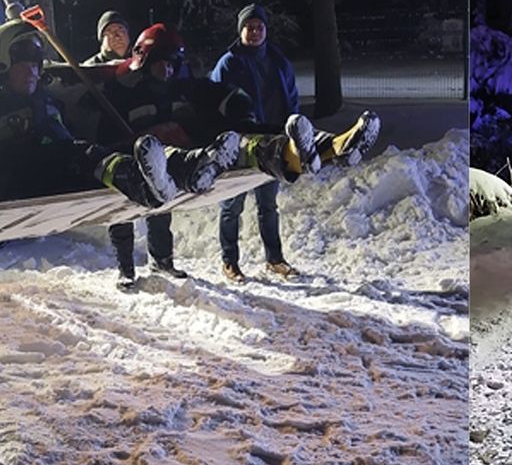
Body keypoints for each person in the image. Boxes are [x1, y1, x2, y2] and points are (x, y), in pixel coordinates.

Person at [99, 23, 349, 291]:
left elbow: (221, 91)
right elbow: (99, 124)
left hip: (183, 157)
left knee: (250, 136)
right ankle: (126, 269)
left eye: (172, 65)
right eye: (162, 64)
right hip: (143, 161)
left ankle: (322, 145)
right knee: (124, 212)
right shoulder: (122, 90)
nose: (168, 71)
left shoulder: (184, 86)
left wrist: (238, 104)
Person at [0, 19, 183, 209]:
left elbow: (65, 139)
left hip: (50, 179)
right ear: (2, 63)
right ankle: (138, 183)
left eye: (36, 66)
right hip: (1, 186)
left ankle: (179, 169)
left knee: (106, 152)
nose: (32, 73)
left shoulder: (44, 101)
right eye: (23, 65)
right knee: (74, 154)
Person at [210, 4, 380, 283]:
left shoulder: (277, 60)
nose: (254, 32)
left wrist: (294, 129)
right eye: (249, 27)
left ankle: (274, 259)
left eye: (259, 27)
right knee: (231, 207)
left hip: (276, 139)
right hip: (243, 142)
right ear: (240, 31)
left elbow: (291, 98)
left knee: (268, 206)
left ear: (266, 30)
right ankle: (230, 262)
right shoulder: (228, 62)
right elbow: (213, 100)